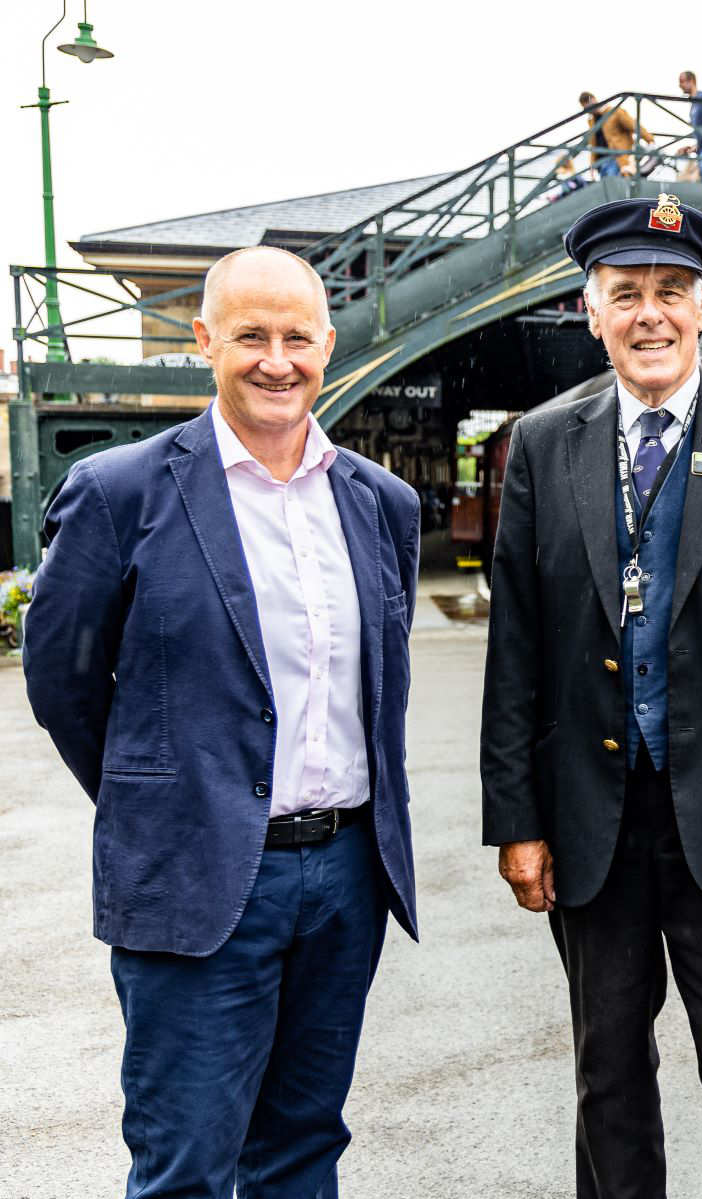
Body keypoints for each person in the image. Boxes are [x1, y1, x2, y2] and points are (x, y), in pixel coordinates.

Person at [23, 245, 420, 1198]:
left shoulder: (381, 503)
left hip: (344, 881)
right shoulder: (122, 492)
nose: (276, 360)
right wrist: (165, 790)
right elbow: (62, 681)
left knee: (303, 1150)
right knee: (186, 1169)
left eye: (296, 337)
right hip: (196, 884)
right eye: (250, 335)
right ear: (205, 341)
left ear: (330, 344)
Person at [480, 194, 702, 1199]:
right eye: (626, 293)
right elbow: (513, 643)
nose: (652, 314)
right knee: (606, 1072)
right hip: (588, 818)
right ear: (589, 310)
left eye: (672, 292)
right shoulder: (545, 444)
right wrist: (516, 818)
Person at [574, 89, 650, 181]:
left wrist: (650, 140)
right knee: (607, 189)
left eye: (589, 105)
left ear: (594, 100)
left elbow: (634, 126)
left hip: (616, 159)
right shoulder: (591, 122)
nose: (589, 110)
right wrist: (592, 166)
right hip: (601, 163)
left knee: (615, 187)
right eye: (586, 108)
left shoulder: (615, 112)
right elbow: (593, 145)